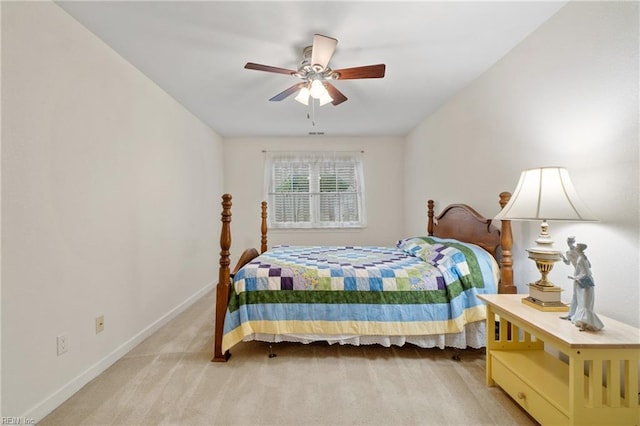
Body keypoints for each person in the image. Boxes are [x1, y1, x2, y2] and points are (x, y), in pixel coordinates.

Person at [568, 243, 604, 331]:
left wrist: (575, 277)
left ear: (579, 249)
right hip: (586, 280)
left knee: (584, 303)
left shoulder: (581, 259)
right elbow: (589, 267)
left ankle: (583, 324)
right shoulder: (584, 257)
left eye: (577, 247)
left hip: (584, 281)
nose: (575, 248)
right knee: (583, 302)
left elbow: (586, 273)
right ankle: (583, 322)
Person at [560, 236, 578, 320]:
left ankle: (577, 315)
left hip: (582, 273)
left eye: (571, 241)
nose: (569, 243)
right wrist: (563, 257)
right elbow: (568, 263)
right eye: (568, 242)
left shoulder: (578, 250)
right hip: (576, 272)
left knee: (580, 294)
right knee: (575, 294)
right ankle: (571, 315)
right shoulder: (567, 252)